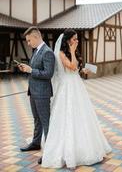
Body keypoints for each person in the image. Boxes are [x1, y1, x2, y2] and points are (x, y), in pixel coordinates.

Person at [41, 28, 112, 169]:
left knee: (82, 115)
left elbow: (75, 69)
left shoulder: (70, 52)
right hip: (67, 88)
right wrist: (73, 51)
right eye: (74, 39)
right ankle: (67, 152)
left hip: (77, 86)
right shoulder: (61, 53)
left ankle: (86, 146)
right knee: (67, 116)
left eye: (77, 39)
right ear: (67, 40)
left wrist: (84, 70)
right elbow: (72, 66)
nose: (77, 41)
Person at [18, 26, 55, 153]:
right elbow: (35, 69)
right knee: (36, 119)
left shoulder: (47, 52)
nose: (28, 44)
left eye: (29, 40)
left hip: (42, 93)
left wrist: (31, 70)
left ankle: (50, 151)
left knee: (45, 122)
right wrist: (27, 69)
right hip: (33, 91)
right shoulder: (36, 50)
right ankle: (35, 143)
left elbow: (48, 74)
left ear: (36, 37)